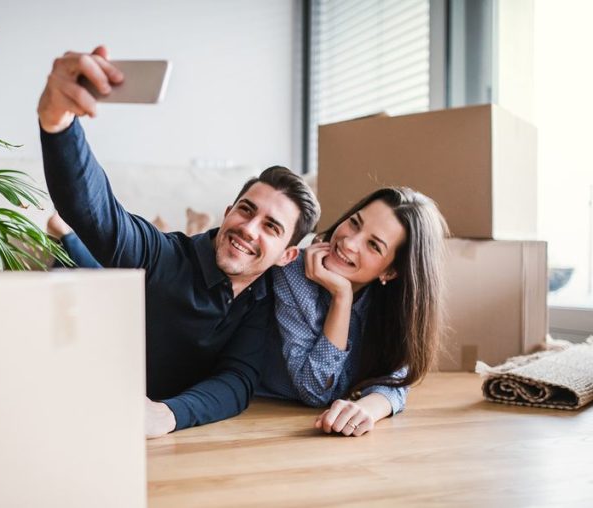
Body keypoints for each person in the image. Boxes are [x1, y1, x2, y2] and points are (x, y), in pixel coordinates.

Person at [37, 46, 321, 438]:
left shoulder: (263, 294)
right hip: (82, 374)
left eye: (271, 227)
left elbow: (238, 380)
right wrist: (58, 122)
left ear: (288, 254)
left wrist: (167, 414)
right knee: (85, 259)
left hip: (145, 411)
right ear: (228, 210)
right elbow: (100, 216)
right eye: (245, 210)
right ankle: (66, 241)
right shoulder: (166, 257)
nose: (249, 229)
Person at [258, 187, 449, 437]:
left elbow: (396, 379)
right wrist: (342, 298)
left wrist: (369, 407)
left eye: (373, 245)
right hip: (263, 414)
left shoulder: (388, 305)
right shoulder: (292, 271)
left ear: (390, 272)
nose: (349, 243)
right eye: (355, 223)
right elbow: (315, 391)